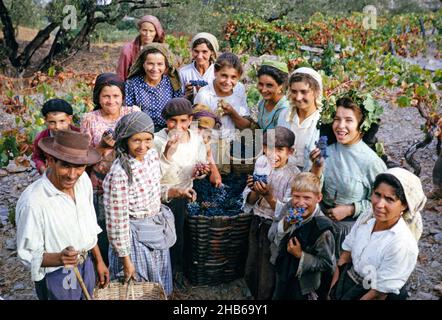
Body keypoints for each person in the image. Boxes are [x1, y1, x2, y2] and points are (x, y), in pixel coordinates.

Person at [103, 112, 196, 296]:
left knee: (157, 286)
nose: (143, 146)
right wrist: (126, 260)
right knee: (139, 288)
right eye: (136, 140)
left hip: (153, 231)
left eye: (147, 139)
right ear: (124, 140)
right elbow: (117, 222)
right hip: (134, 241)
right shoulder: (120, 173)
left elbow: (152, 189)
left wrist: (175, 191)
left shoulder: (152, 156)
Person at [16, 130, 109, 300]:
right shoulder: (34, 201)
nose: (72, 175)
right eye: (65, 165)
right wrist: (60, 258)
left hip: (86, 264)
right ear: (50, 160)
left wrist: (99, 261)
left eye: (79, 167)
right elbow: (27, 255)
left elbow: (89, 226)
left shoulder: (83, 182)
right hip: (57, 275)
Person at [153, 98, 222, 284]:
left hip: (185, 193)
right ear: (165, 121)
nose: (178, 125)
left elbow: (196, 167)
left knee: (180, 235)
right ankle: (163, 277)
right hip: (162, 196)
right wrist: (168, 153)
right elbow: (154, 175)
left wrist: (200, 172)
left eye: (183, 121)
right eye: (172, 121)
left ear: (190, 120)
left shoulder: (196, 139)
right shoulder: (157, 141)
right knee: (164, 238)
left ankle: (176, 273)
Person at [329, 168, 426, 300]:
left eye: (389, 199)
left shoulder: (402, 244)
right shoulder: (367, 218)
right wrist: (332, 292)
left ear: (404, 205)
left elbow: (378, 293)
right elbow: (345, 256)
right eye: (377, 194)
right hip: (348, 280)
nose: (379, 204)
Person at [310, 96, 387, 258]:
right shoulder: (326, 151)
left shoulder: (371, 162)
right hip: (320, 221)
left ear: (361, 126)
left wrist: (351, 209)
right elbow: (309, 190)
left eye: (348, 120)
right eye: (337, 119)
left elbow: (385, 203)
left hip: (352, 231)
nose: (340, 126)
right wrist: (316, 167)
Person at [80, 73, 140, 265]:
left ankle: (130, 266)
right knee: (105, 227)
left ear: (123, 96)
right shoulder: (89, 119)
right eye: (106, 96)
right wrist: (102, 148)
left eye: (116, 96)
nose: (111, 101)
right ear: (98, 97)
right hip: (101, 183)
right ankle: (105, 267)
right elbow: (82, 159)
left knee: (129, 225)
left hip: (130, 182)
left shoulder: (131, 113)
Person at [242, 126, 300, 300]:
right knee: (252, 264)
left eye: (280, 150)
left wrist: (268, 195)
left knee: (268, 270)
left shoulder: (293, 175)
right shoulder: (261, 163)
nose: (272, 154)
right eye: (268, 148)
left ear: (290, 151)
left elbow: (288, 213)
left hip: (275, 228)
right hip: (257, 221)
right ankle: (252, 295)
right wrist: (255, 190)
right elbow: (250, 201)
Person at [269, 172, 335, 300]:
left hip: (304, 284)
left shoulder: (322, 228)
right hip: (283, 270)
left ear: (319, 198)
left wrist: (300, 255)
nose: (300, 203)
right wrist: (286, 223)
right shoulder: (289, 207)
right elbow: (271, 236)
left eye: (307, 198)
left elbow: (326, 262)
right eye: (296, 197)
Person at [194, 52, 251, 173]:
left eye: (233, 77)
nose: (228, 81)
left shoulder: (239, 89)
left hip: (233, 143)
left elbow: (245, 125)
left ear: (239, 76)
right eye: (224, 75)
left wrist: (232, 112)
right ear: (215, 72)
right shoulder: (204, 95)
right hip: (210, 147)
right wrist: (214, 117)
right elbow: (198, 133)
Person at [125, 43, 183, 132]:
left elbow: (178, 110)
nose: (155, 69)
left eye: (160, 64)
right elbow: (128, 111)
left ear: (166, 66)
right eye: (150, 64)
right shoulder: (132, 84)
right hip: (141, 130)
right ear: (143, 64)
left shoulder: (172, 83)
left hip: (167, 130)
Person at [278, 67, 323, 171]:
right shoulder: (284, 114)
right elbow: (272, 145)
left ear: (316, 92)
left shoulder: (322, 121)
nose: (298, 97)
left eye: (304, 92)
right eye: (294, 91)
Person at [32, 98, 80, 175]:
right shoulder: (41, 138)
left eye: (62, 121)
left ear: (69, 119)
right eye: (52, 122)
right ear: (46, 121)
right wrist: (43, 169)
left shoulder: (79, 134)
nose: (57, 126)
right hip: (53, 173)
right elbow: (37, 157)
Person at [116, 15, 165, 80]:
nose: (147, 34)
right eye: (144, 30)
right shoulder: (128, 50)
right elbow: (121, 74)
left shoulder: (161, 49)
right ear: (139, 30)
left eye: (151, 31)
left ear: (156, 32)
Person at [179, 32, 219, 101]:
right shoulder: (184, 72)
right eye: (196, 51)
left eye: (204, 52)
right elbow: (178, 99)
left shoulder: (218, 72)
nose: (200, 56)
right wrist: (186, 95)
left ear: (212, 52)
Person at [256, 60, 289, 131]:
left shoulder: (284, 110)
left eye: (269, 85)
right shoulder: (263, 102)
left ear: (281, 86)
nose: (263, 90)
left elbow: (278, 140)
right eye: (261, 84)